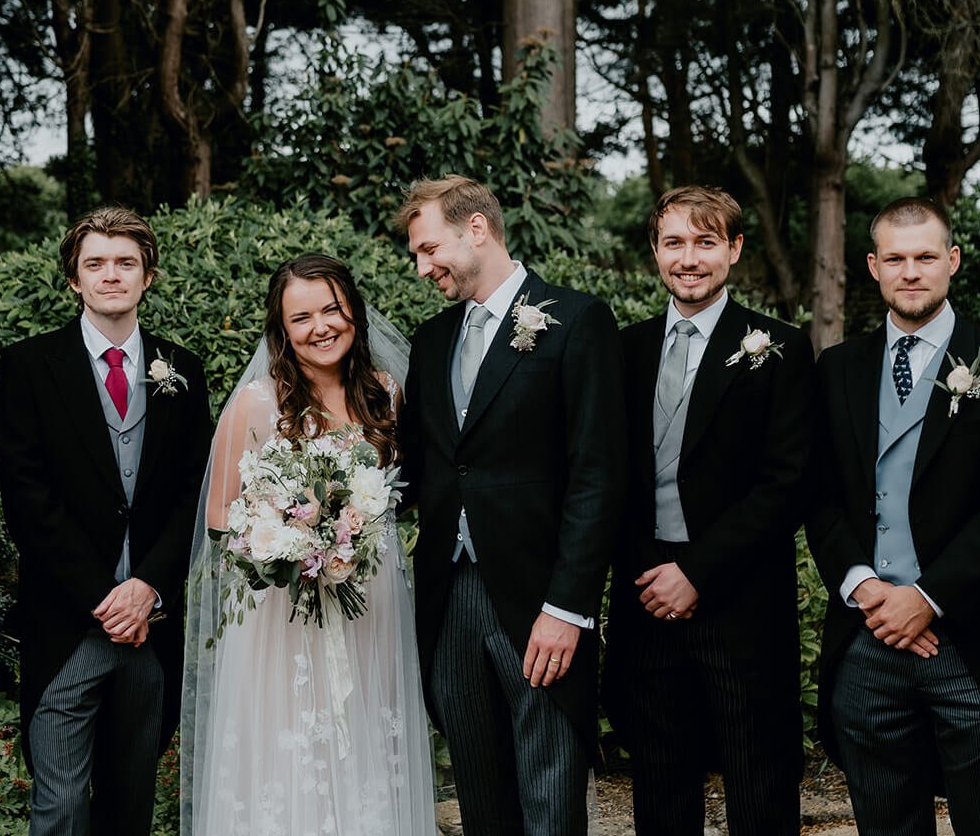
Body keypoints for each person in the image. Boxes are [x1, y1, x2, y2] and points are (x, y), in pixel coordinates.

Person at [807, 197, 980, 836]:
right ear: (873, 266)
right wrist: (863, 586)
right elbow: (819, 494)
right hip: (866, 641)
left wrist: (927, 596)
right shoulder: (837, 368)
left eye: (926, 257)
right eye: (896, 258)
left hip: (970, 643)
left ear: (952, 261)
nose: (911, 271)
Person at [394, 175, 627, 836]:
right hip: (450, 599)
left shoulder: (577, 319)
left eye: (428, 247)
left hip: (538, 602)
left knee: (550, 805)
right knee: (481, 801)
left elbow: (598, 476)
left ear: (477, 229)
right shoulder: (432, 338)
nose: (422, 267)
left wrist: (568, 606)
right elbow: (420, 468)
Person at [179, 253, 436, 836]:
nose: (321, 326)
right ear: (282, 330)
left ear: (353, 312)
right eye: (302, 318)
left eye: (332, 309)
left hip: (374, 601)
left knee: (371, 736)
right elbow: (220, 515)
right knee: (293, 746)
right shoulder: (258, 403)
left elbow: (406, 491)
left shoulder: (385, 392)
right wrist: (291, 546)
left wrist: (353, 530)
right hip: (285, 615)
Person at [602, 186, 815, 835]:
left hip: (740, 606)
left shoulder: (778, 346)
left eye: (705, 241)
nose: (688, 258)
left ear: (734, 248)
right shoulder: (624, 350)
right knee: (661, 796)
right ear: (655, 252)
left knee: (760, 790)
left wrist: (696, 571)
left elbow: (788, 483)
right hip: (647, 606)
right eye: (674, 243)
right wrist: (652, 571)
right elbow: (607, 476)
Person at [0, 206, 211, 836]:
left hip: (151, 625)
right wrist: (103, 596)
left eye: (125, 263)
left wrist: (146, 587)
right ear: (74, 279)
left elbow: (193, 496)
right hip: (67, 624)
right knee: (58, 804)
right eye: (96, 264)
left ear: (148, 276)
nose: (110, 275)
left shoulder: (184, 371)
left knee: (130, 802)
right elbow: (28, 498)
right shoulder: (28, 367)